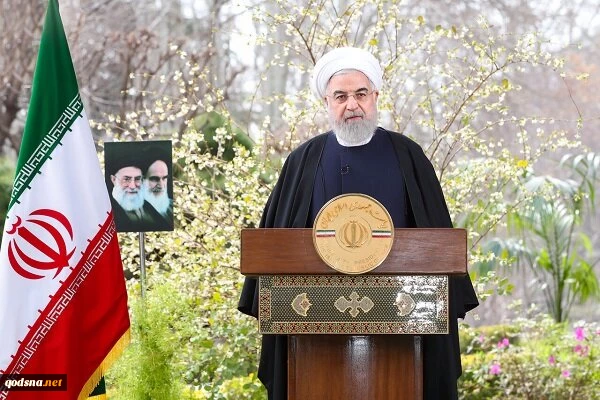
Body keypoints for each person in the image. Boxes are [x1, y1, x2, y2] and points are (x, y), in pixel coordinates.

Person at [238, 47, 479, 400]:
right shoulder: (302, 162)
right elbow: (274, 246)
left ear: (375, 97)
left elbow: (437, 241)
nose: (352, 105)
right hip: (312, 322)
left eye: (360, 94)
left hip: (404, 317)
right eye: (341, 96)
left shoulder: (408, 155)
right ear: (326, 102)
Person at [108, 154, 167, 232]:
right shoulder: (107, 211)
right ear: (114, 180)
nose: (133, 186)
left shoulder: (148, 208)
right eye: (126, 179)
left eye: (137, 179)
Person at [143, 158, 174, 229]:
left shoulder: (173, 206)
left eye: (164, 178)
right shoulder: (133, 213)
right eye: (154, 179)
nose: (161, 185)